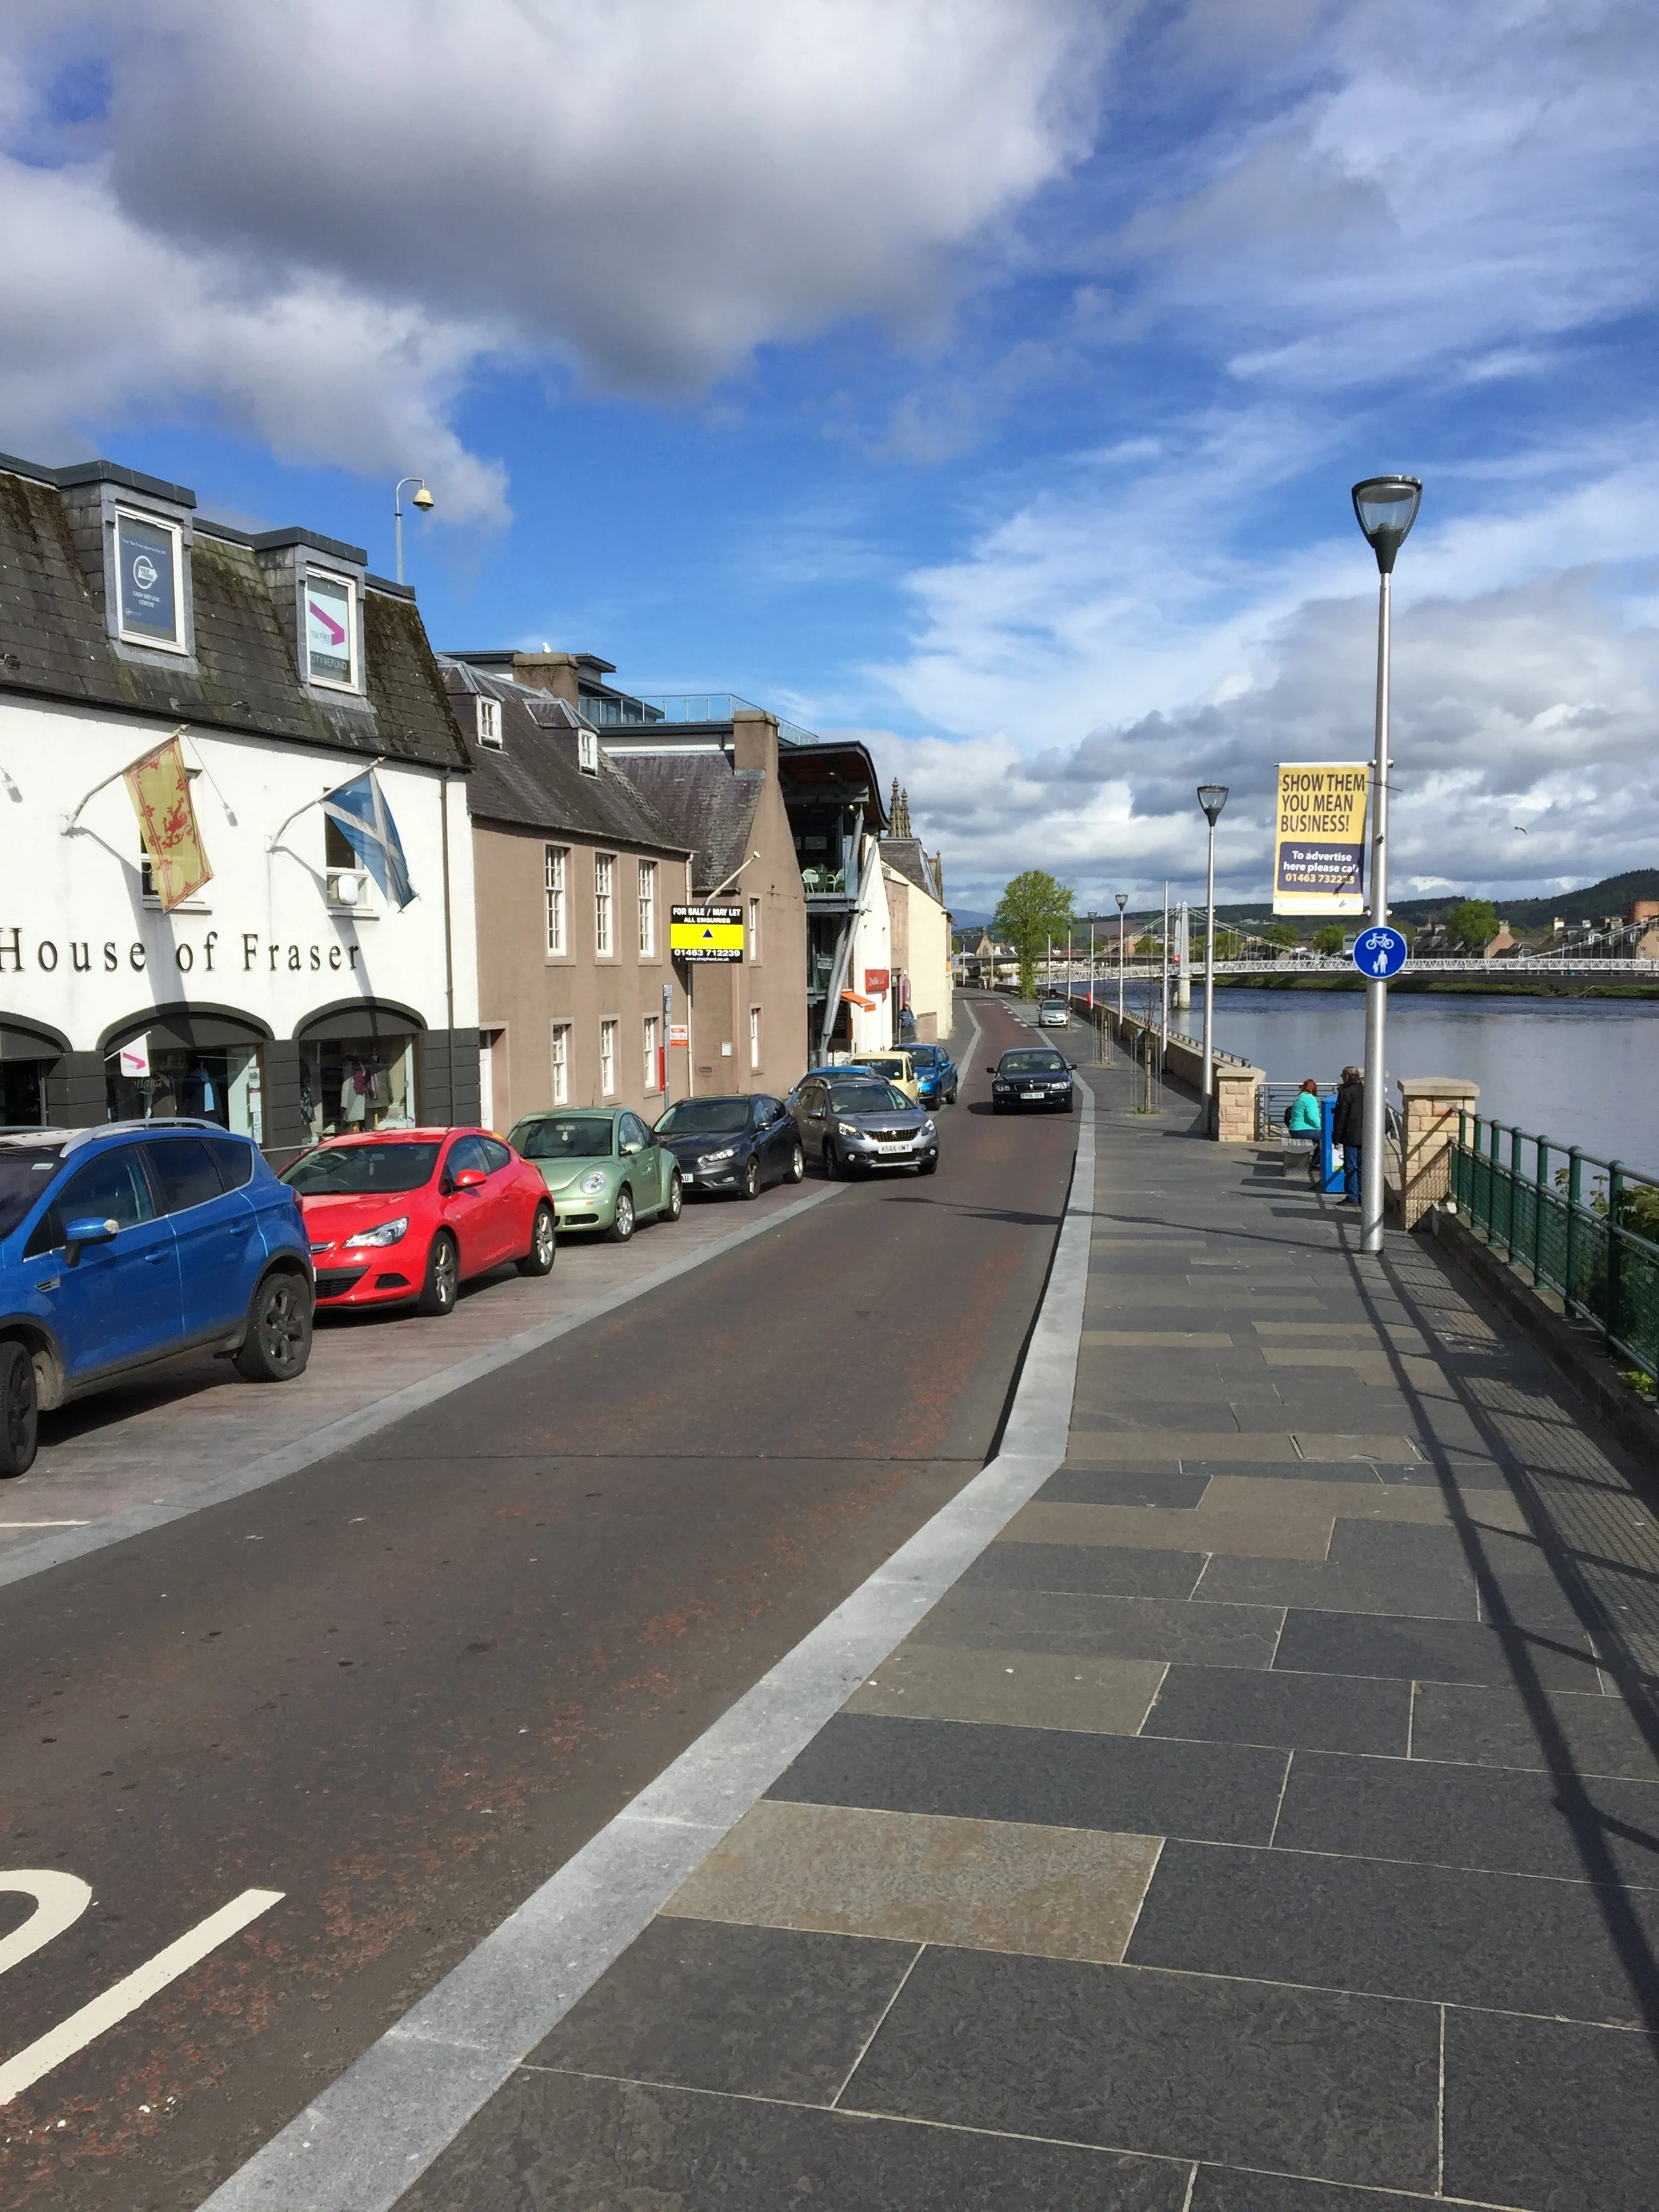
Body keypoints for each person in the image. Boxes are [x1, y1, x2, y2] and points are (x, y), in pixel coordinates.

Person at [1331, 1064, 1365, 1204]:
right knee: (1362, 1167)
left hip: (1351, 1136)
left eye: (1342, 1076)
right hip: (1367, 1136)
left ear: (1347, 1077)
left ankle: (1352, 1197)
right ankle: (1363, 1196)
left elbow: (1341, 1117)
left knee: (1351, 1167)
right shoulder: (1367, 1090)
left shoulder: (1345, 1092)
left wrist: (1336, 1138)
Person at [1286, 1077, 1322, 1186]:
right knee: (1326, 1138)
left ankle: (1315, 1162)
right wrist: (1321, 1127)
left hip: (1294, 1129)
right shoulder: (1310, 1099)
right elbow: (1312, 1117)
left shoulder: (1300, 1097)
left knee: (1322, 1138)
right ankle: (1315, 1164)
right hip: (1301, 1130)